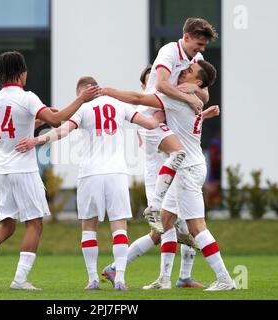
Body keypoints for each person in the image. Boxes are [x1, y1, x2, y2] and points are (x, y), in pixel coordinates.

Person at [16, 76, 164, 291]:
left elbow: (63, 131)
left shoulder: (83, 108)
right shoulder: (119, 104)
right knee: (119, 226)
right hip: (116, 172)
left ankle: (93, 279)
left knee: (89, 228)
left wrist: (36, 140)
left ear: (82, 92)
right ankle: (120, 279)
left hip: (90, 173)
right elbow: (151, 123)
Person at [0, 51, 100, 291]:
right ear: (20, 72)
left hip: (2, 170)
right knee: (34, 224)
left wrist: (33, 123)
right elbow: (58, 119)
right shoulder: (27, 97)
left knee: (7, 226)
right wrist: (81, 99)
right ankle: (19, 280)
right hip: (23, 169)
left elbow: (10, 128)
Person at [101, 60, 236, 291]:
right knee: (162, 227)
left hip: (185, 170)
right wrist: (199, 100)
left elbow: (137, 98)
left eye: (189, 71)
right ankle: (122, 269)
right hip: (186, 167)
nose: (183, 70)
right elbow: (186, 110)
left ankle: (224, 279)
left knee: (196, 227)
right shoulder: (188, 97)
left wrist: (106, 91)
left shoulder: (176, 98)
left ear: (198, 81)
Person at [141, 18, 218, 229]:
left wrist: (193, 91)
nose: (201, 50)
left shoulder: (197, 58)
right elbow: (162, 85)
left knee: (178, 171)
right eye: (198, 44)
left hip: (170, 117)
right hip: (153, 115)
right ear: (186, 37)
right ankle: (155, 208)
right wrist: (188, 98)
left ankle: (176, 222)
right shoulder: (169, 52)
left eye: (203, 46)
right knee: (177, 156)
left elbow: (205, 94)